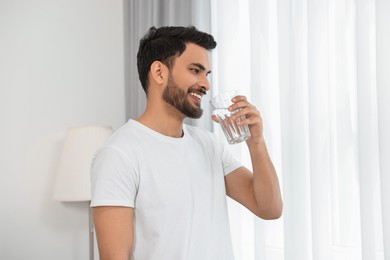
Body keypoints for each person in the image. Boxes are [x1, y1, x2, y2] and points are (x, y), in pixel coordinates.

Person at [90, 25, 283, 260]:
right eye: (195, 70)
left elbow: (269, 208)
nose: (206, 85)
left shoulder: (210, 145)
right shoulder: (119, 154)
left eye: (207, 74)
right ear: (159, 72)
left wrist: (257, 143)